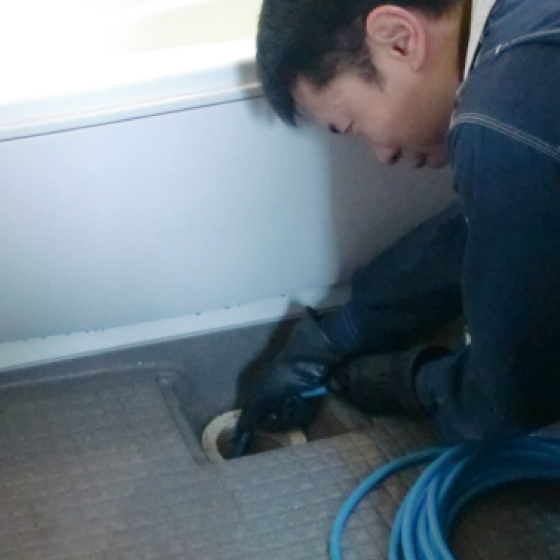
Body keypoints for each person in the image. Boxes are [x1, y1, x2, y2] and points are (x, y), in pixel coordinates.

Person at [235, 0, 560, 445]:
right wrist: (342, 333)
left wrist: (405, 382)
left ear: (399, 40)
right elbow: (500, 228)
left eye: (350, 124)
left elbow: (509, 399)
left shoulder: (501, 122)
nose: (383, 155)